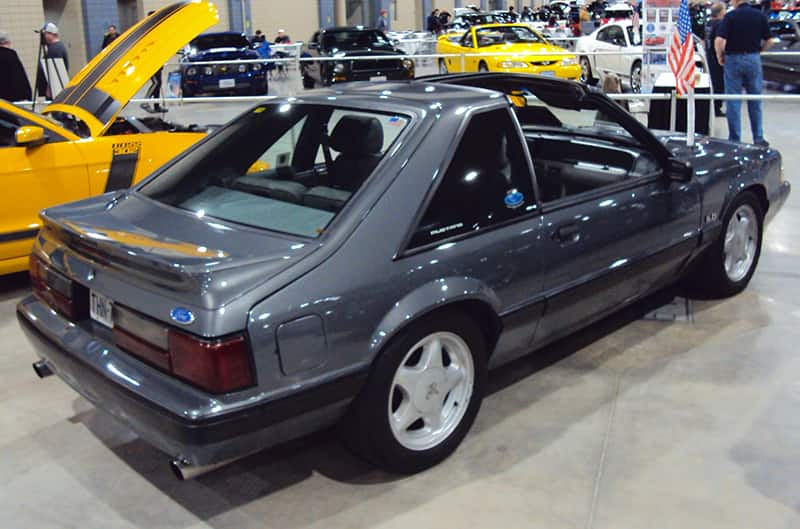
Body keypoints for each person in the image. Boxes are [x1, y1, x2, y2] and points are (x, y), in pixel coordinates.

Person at [715, 0, 772, 144]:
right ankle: (758, 137)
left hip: (733, 59)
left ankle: (735, 138)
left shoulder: (730, 16)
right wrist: (759, 51)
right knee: (755, 99)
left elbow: (720, 40)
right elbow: (770, 40)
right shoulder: (759, 16)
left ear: (735, 1)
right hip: (753, 58)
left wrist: (720, 56)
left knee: (733, 100)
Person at [37, 23, 69, 98]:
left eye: (44, 34)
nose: (42, 37)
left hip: (54, 92)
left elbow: (54, 72)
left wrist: (50, 88)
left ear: (51, 34)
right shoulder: (55, 48)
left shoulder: (55, 50)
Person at [706, 2, 726, 117]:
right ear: (720, 12)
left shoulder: (709, 24)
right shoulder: (720, 24)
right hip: (716, 57)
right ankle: (716, 107)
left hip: (709, 55)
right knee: (718, 83)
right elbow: (719, 40)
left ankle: (714, 106)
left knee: (714, 82)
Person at [0, 31, 32, 102]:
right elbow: (19, 77)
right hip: (12, 98)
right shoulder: (11, 55)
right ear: (8, 42)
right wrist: (27, 95)